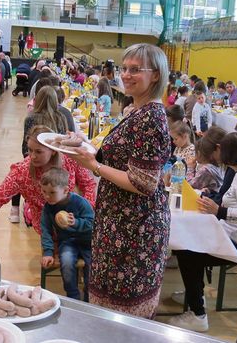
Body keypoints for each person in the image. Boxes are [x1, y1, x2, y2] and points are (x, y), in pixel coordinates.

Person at [68, 43, 171, 318]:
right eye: (124, 68)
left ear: (157, 75)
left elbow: (143, 183)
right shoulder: (137, 111)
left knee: (123, 316)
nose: (125, 74)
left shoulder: (150, 118)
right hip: (119, 224)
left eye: (135, 70)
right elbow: (119, 159)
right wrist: (86, 146)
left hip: (134, 230)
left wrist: (94, 165)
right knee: (110, 309)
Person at [170, 132, 237, 332]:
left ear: (225, 151)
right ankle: (195, 294)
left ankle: (198, 313)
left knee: (188, 252)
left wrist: (220, 211)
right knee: (193, 243)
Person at [0, 125, 96, 238]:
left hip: (76, 218)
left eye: (38, 152)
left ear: (52, 150)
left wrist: (86, 211)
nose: (32, 156)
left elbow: (89, 184)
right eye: (30, 150)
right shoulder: (22, 172)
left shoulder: (70, 159)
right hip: (48, 228)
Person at [40, 168, 94, 301]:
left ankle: (89, 299)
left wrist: (76, 223)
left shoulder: (80, 203)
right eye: (44, 192)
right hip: (68, 242)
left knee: (92, 270)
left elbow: (92, 223)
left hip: (89, 242)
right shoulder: (48, 207)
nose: (47, 196)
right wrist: (48, 252)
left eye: (52, 193)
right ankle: (73, 297)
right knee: (67, 263)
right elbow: (46, 230)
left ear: (65, 190)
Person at [22, 86, 68, 156]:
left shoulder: (30, 118)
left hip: (34, 159)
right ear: (55, 101)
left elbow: (25, 147)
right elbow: (63, 146)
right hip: (56, 160)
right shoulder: (61, 118)